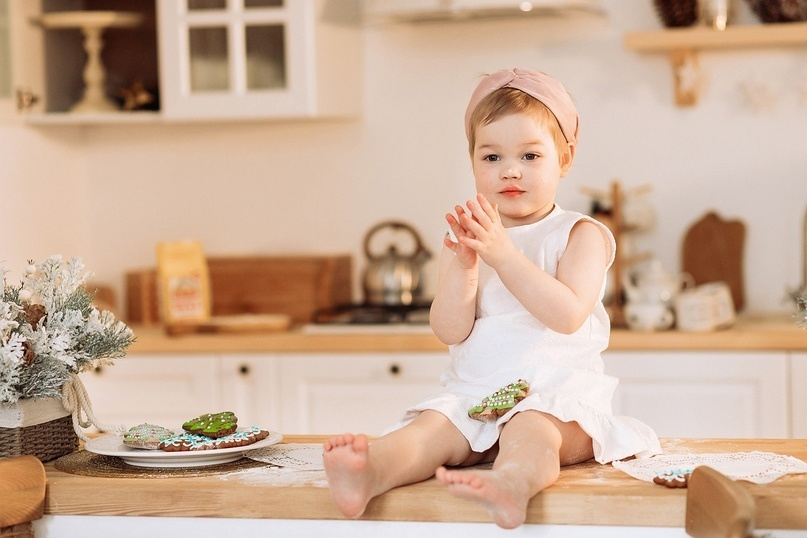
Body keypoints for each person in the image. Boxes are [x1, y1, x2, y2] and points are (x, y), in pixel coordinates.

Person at [322, 68, 661, 529]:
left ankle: (513, 485)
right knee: (428, 430)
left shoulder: (581, 234)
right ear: (473, 161)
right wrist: (464, 267)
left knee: (531, 432)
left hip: (557, 398)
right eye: (492, 156)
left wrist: (503, 256)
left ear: (565, 158)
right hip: (476, 393)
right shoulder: (469, 236)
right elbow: (449, 329)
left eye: (530, 154)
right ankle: (368, 474)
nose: (510, 169)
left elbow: (566, 315)